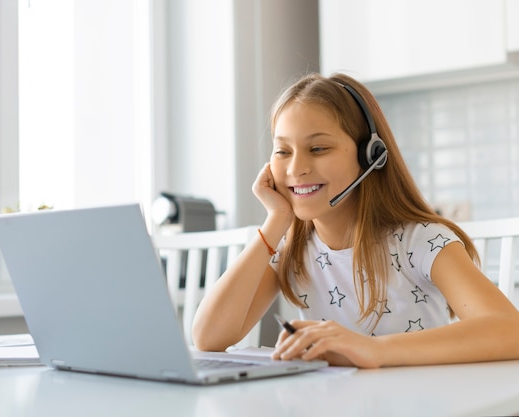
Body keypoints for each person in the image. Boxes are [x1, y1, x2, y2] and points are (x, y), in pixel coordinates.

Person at [191, 72, 519, 368]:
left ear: (370, 156)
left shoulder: (421, 241)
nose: (295, 169)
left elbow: (509, 331)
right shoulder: (292, 249)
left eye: (318, 148)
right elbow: (209, 337)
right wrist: (276, 220)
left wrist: (373, 350)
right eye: (283, 151)